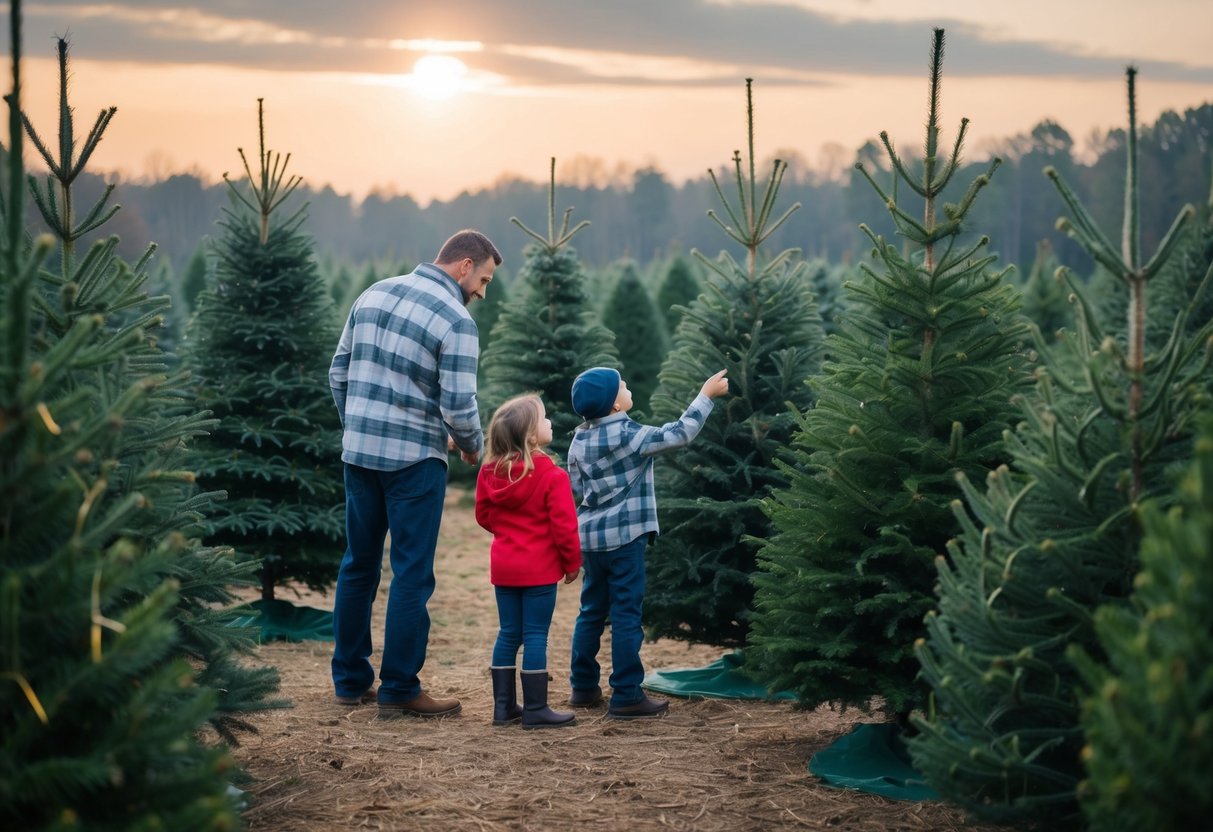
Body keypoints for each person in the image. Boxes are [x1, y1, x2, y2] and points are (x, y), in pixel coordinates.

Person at [329, 229, 501, 719]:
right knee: (410, 574)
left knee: (358, 566)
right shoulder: (456, 320)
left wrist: (359, 426)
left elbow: (338, 372)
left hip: (359, 454)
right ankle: (400, 688)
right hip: (414, 464)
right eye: (484, 279)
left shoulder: (374, 292)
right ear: (464, 265)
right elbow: (459, 405)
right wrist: (472, 447)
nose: (482, 292)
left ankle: (349, 681)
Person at [566, 366, 729, 719]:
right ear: (614, 406)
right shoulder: (631, 434)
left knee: (591, 611)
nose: (627, 386)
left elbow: (575, 494)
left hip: (591, 542)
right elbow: (680, 433)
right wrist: (705, 395)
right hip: (625, 540)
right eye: (621, 385)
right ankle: (626, 694)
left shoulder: (578, 441)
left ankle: (582, 687)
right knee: (626, 614)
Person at [475, 394, 582, 728]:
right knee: (536, 635)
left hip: (504, 567)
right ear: (532, 436)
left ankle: (503, 709)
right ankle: (536, 710)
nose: (550, 422)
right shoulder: (552, 476)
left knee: (508, 633)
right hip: (538, 570)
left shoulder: (490, 473)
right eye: (544, 418)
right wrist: (572, 563)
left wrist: (508, 533)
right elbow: (564, 526)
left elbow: (483, 515)